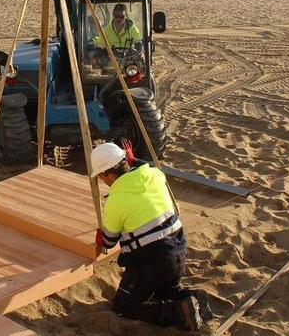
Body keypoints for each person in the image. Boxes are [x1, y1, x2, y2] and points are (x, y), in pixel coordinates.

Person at [91, 142, 213, 331]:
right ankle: (194, 297)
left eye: (100, 176)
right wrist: (134, 160)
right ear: (126, 161)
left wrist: (100, 237)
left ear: (107, 174)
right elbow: (147, 166)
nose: (101, 180)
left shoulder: (116, 200)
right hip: (179, 251)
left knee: (124, 307)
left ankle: (180, 312)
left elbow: (109, 241)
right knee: (164, 292)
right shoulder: (155, 175)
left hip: (153, 261)